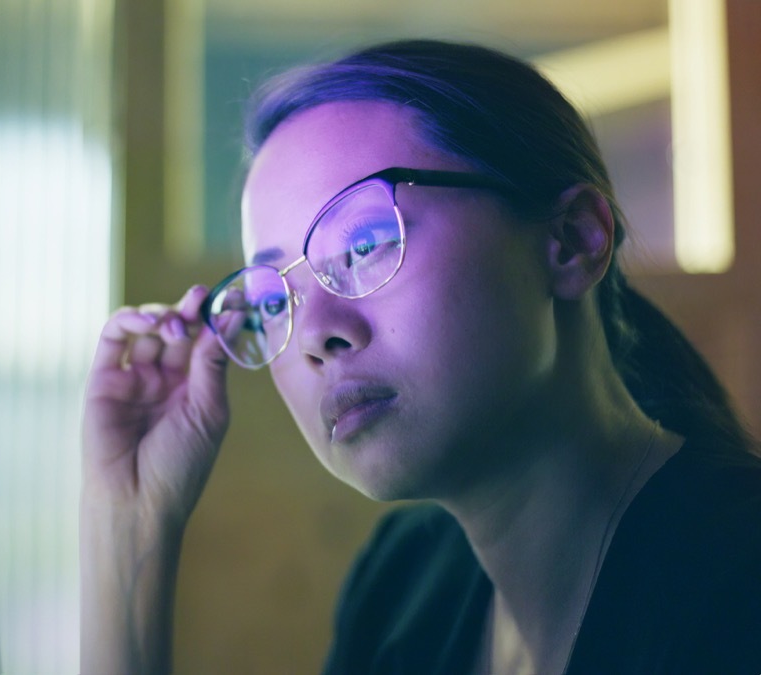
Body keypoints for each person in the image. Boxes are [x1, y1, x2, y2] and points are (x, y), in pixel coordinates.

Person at [80, 40, 761, 674]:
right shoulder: (398, 587)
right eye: (277, 297)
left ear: (571, 241)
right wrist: (133, 522)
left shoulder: (739, 580)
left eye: (366, 241)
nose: (317, 333)